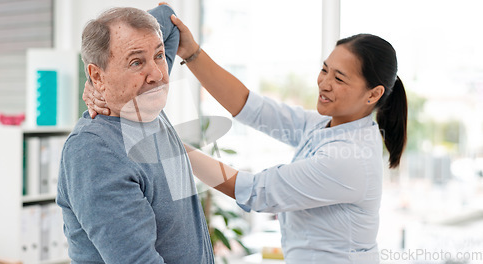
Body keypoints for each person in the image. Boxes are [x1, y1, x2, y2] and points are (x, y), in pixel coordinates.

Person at [86, 10, 408, 264]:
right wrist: (192, 51)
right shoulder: (328, 124)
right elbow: (251, 108)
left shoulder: (350, 160)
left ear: (373, 94)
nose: (324, 83)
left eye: (339, 78)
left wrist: (169, 144)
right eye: (324, 70)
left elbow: (257, 192)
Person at [56, 5, 214, 264]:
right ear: (97, 75)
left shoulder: (145, 104)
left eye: (160, 55)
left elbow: (166, 15)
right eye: (136, 62)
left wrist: (103, 83)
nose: (158, 74)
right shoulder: (96, 151)